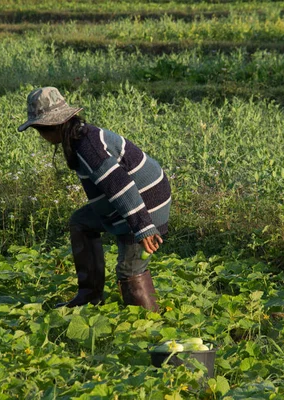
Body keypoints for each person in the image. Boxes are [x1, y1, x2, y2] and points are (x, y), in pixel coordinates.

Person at [18, 87, 171, 311]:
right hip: (132, 200)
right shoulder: (78, 137)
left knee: (131, 268)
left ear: (52, 125)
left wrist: (144, 227)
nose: (39, 135)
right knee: (81, 221)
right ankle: (89, 296)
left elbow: (120, 185)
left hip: (144, 202)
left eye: (38, 129)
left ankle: (149, 325)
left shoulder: (86, 145)